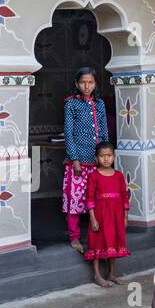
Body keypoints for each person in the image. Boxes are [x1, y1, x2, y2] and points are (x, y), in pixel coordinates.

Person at [62, 67, 109, 254]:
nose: (86, 86)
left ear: (95, 83)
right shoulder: (71, 104)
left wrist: (105, 158)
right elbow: (69, 133)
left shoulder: (100, 104)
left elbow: (104, 131)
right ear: (76, 84)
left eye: (90, 82)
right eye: (83, 82)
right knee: (75, 201)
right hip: (79, 163)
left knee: (96, 201)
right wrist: (75, 159)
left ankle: (94, 236)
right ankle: (74, 237)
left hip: (97, 162)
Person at [84, 142, 130, 287]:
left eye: (109, 156)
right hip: (100, 215)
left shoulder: (119, 176)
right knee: (97, 242)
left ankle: (111, 274)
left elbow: (124, 196)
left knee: (113, 242)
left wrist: (125, 217)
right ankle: (97, 275)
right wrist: (92, 218)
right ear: (96, 158)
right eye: (102, 156)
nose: (106, 159)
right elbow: (89, 197)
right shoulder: (94, 176)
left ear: (114, 157)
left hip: (116, 216)